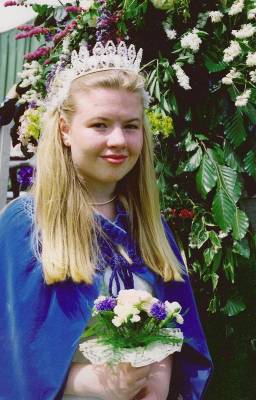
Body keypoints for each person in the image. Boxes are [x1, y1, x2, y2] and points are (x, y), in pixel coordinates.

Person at [0, 42, 213, 400]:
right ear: (65, 130)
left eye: (130, 126)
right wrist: (95, 384)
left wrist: (157, 382)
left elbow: (175, 327)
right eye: (100, 124)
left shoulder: (149, 227)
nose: (118, 140)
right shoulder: (25, 226)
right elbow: (14, 357)